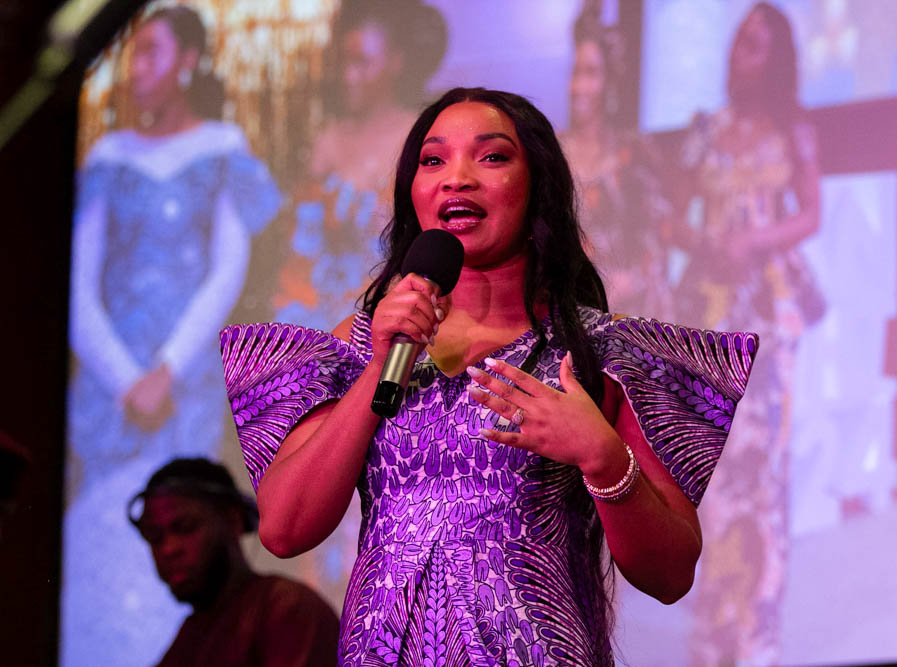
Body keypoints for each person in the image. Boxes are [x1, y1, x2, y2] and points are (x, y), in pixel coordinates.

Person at [220, 87, 758, 665]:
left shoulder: (600, 353)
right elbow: (283, 529)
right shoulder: (360, 347)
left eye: (492, 157)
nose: (457, 178)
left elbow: (671, 574)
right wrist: (380, 365)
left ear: (538, 189)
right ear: (414, 193)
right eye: (433, 161)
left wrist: (603, 459)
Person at [63, 6, 282, 665]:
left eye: (152, 52)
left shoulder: (221, 148)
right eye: (132, 55)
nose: (137, 69)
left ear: (187, 62)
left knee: (184, 518)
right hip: (112, 383)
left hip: (182, 379)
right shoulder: (108, 154)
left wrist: (167, 366)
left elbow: (227, 270)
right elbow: (79, 278)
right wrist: (124, 376)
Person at [669, 3, 824, 664]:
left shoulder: (795, 131)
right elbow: (672, 218)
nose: (743, 55)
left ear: (778, 56)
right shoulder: (706, 130)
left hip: (771, 312)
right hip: (712, 309)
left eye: (757, 45)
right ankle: (714, 633)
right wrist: (707, 241)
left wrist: (756, 238)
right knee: (717, 472)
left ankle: (755, 635)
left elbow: (812, 214)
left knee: (765, 473)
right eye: (738, 43)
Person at [274, 0, 447, 330]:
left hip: (383, 313)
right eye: (344, 62)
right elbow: (302, 243)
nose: (348, 75)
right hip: (313, 310)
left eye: (362, 62)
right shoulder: (329, 138)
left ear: (396, 63)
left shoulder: (417, 135)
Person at [128, 458, 340, 667]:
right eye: (154, 537)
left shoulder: (286, 606)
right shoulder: (190, 635)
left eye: (185, 527)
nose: (168, 549)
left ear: (232, 520)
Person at [560, 1, 675, 317]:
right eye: (575, 73)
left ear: (609, 82)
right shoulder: (551, 150)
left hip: (627, 310)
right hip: (566, 307)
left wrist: (629, 282)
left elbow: (658, 235)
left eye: (591, 73)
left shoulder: (635, 152)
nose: (579, 86)